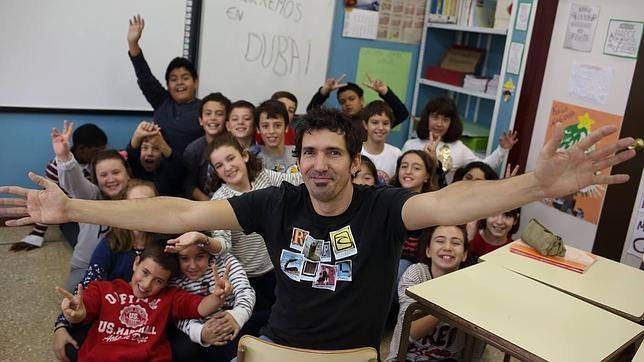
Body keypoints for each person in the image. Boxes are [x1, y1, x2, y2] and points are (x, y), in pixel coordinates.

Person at [2, 108, 635, 351]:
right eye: (310, 153)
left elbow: (452, 205)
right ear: (297, 157)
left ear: (355, 163)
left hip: (354, 356)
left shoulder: (385, 207)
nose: (319, 164)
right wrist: (76, 209)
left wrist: (537, 186)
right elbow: (179, 213)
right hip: (277, 349)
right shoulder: (276, 202)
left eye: (334, 154)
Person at [55, 242, 231, 362]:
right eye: (145, 272)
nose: (147, 285)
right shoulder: (103, 289)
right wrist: (75, 314)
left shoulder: (170, 297)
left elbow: (199, 307)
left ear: (167, 282)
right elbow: (83, 311)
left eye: (158, 281)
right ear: (135, 263)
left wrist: (217, 297)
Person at [204, 134, 301, 336]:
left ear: (245, 156)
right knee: (262, 323)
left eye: (231, 159)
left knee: (292, 313)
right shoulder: (220, 200)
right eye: (220, 165)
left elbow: (296, 181)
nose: (228, 167)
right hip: (248, 277)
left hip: (276, 266)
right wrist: (205, 241)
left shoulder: (264, 177)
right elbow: (223, 244)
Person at [53, 179, 158, 362]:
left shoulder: (165, 243)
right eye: (134, 205)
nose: (142, 212)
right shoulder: (111, 243)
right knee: (72, 347)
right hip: (111, 317)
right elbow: (87, 286)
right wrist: (61, 325)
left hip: (152, 318)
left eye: (149, 205)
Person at [52, 121, 132, 292]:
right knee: (76, 303)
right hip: (86, 266)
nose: (110, 179)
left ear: (128, 174)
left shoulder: (137, 196)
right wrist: (65, 158)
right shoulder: (91, 196)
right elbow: (75, 184)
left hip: (128, 266)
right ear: (96, 179)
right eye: (103, 175)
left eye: (116, 172)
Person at [387, 225, 483, 361]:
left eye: (456, 243)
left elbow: (476, 340)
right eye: (440, 241)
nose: (447, 247)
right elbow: (410, 331)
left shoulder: (471, 285)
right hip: (408, 356)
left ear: (465, 254)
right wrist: (450, 299)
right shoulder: (416, 275)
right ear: (428, 250)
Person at [11, 123, 107, 251]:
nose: (100, 154)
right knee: (85, 247)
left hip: (94, 212)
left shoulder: (96, 163)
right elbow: (47, 199)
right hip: (70, 215)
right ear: (82, 149)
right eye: (97, 151)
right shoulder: (55, 166)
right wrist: (37, 234)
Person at [165, 236, 255, 361]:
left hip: (233, 323)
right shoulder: (175, 278)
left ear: (209, 253)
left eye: (199, 257)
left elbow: (245, 291)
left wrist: (237, 316)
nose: (193, 266)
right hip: (201, 332)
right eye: (184, 258)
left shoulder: (225, 262)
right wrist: (200, 332)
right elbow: (177, 314)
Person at [127, 14, 202, 156]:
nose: (179, 83)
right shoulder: (162, 101)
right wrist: (133, 44)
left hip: (191, 171)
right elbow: (145, 77)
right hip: (159, 168)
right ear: (168, 85)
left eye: (185, 78)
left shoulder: (205, 109)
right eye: (173, 79)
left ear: (196, 82)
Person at [402, 96, 518, 182]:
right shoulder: (411, 145)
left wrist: (502, 150)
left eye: (445, 120)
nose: (439, 124)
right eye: (435, 118)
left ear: (451, 123)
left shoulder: (458, 148)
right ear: (427, 118)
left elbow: (482, 167)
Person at [389, 150, 443, 292]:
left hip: (413, 265)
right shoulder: (386, 198)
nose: (408, 171)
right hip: (383, 259)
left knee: (401, 268)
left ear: (426, 177)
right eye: (404, 166)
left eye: (416, 168)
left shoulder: (432, 207)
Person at [306, 74, 409, 140]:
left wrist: (385, 92)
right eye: (342, 101)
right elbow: (311, 112)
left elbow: (402, 113)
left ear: (361, 100)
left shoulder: (373, 119)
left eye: (351, 99)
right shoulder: (337, 121)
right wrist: (324, 91)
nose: (347, 103)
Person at [183, 93, 232, 200]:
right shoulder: (193, 150)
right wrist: (209, 204)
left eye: (219, 114)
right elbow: (189, 185)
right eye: (208, 113)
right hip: (203, 204)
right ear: (200, 120)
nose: (213, 118)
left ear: (227, 120)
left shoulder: (234, 147)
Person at [127, 121, 184, 196]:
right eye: (145, 148)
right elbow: (132, 154)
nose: (149, 153)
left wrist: (161, 143)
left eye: (156, 148)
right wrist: (137, 136)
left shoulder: (169, 172)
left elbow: (176, 165)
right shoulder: (136, 167)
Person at [361, 100, 402, 184]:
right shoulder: (356, 150)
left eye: (385, 123)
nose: (380, 127)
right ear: (365, 125)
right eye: (375, 122)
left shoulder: (396, 154)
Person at [255, 100, 299, 173]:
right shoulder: (256, 161)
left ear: (286, 127)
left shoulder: (297, 153)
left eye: (277, 125)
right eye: (265, 126)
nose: (271, 131)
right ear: (258, 129)